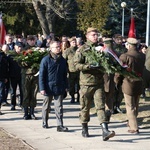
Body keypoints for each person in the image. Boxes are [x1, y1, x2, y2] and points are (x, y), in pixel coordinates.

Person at [74, 27, 115, 141]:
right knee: (85, 107)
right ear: (87, 36)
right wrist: (88, 66)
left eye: (96, 34)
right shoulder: (82, 49)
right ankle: (84, 127)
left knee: (100, 106)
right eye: (93, 35)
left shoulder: (101, 48)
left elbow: (107, 62)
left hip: (98, 83)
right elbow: (76, 65)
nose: (95, 37)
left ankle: (105, 130)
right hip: (86, 83)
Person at [115, 37, 145, 134]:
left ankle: (134, 127)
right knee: (135, 105)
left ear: (128, 45)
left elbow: (118, 72)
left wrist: (116, 81)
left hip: (128, 83)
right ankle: (131, 122)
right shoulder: (142, 55)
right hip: (139, 82)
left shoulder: (124, 56)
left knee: (130, 106)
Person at [39, 40, 68, 132]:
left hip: (59, 86)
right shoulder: (45, 60)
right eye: (56, 47)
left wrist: (66, 86)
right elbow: (41, 75)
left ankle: (60, 125)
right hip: (48, 87)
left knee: (59, 106)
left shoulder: (62, 60)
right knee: (46, 106)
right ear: (51, 48)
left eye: (59, 46)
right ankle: (44, 121)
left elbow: (64, 75)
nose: (58, 48)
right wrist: (42, 88)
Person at [112, 34, 127, 114]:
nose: (119, 41)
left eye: (121, 39)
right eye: (118, 39)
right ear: (114, 39)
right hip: (113, 72)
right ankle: (112, 106)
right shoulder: (112, 49)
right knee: (114, 90)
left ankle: (118, 106)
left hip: (122, 72)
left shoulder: (124, 50)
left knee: (120, 90)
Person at [63, 37, 80, 103]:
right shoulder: (67, 51)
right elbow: (64, 61)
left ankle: (78, 97)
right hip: (71, 71)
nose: (74, 43)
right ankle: (72, 97)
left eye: (75, 42)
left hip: (79, 71)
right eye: (73, 42)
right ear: (70, 43)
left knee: (79, 85)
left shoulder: (79, 50)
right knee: (71, 85)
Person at [8, 42, 23, 110]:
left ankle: (22, 104)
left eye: (20, 47)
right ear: (15, 47)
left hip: (21, 75)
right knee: (13, 92)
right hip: (13, 75)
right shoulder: (11, 55)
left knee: (22, 90)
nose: (19, 48)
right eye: (18, 47)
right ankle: (13, 104)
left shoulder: (23, 54)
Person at [0, 50, 9, 115]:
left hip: (1, 77)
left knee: (1, 94)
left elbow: (5, 67)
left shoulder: (3, 56)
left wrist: (5, 77)